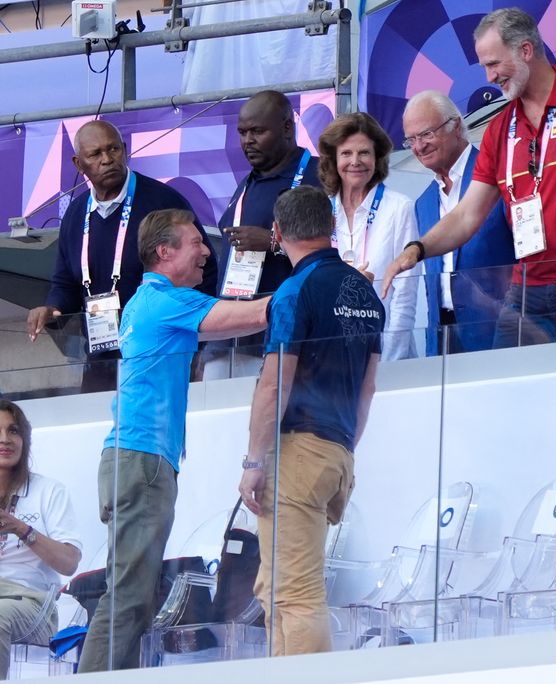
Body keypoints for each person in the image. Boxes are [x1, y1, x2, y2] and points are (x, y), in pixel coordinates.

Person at [382, 7, 556, 347]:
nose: (489, 77)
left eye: (493, 64)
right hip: (526, 289)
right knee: (505, 386)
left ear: (525, 50)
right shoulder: (499, 129)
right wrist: (417, 249)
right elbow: (466, 214)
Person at [78, 209, 269, 672]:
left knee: (135, 594)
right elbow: (244, 316)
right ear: (164, 252)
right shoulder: (164, 301)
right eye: (194, 243)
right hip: (141, 461)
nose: (206, 251)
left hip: (138, 460)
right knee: (128, 596)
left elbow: (239, 321)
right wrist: (307, 293)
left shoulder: (153, 301)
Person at [237, 186, 384, 656]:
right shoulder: (364, 290)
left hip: (297, 453)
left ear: (277, 234)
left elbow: (273, 385)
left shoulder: (294, 292)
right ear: (332, 227)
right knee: (274, 589)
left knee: (295, 597)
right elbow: (368, 388)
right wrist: (344, 449)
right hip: (338, 451)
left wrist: (253, 461)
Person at [25, 120, 219, 392]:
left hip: (158, 353)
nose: (107, 160)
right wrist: (52, 308)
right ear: (79, 164)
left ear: (125, 150)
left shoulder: (162, 202)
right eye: (95, 154)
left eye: (113, 149)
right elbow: (66, 281)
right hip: (100, 358)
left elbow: (205, 267)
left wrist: (194, 342)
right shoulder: (75, 213)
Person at [206, 90, 321, 377]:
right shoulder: (246, 184)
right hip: (230, 338)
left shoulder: (319, 176)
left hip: (288, 338)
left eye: (257, 131)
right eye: (242, 132)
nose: (248, 141)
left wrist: (272, 242)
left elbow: (334, 252)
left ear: (286, 128)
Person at [402, 90, 516, 355]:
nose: (419, 147)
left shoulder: (497, 177)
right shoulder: (423, 203)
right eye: (411, 140)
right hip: (442, 340)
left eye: (427, 134)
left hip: (499, 334)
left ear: (455, 124)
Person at [319, 112, 418, 361]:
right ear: (333, 159)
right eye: (346, 153)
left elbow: (405, 293)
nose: (355, 161)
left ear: (377, 157)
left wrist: (388, 361)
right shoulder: (320, 211)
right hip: (335, 357)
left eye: (364, 152)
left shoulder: (399, 207)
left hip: (388, 353)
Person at [0, 400, 82, 679]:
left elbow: (70, 563)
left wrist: (22, 529)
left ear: (25, 440)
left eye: (13, 431)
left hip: (31, 602)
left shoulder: (48, 491)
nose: (4, 439)